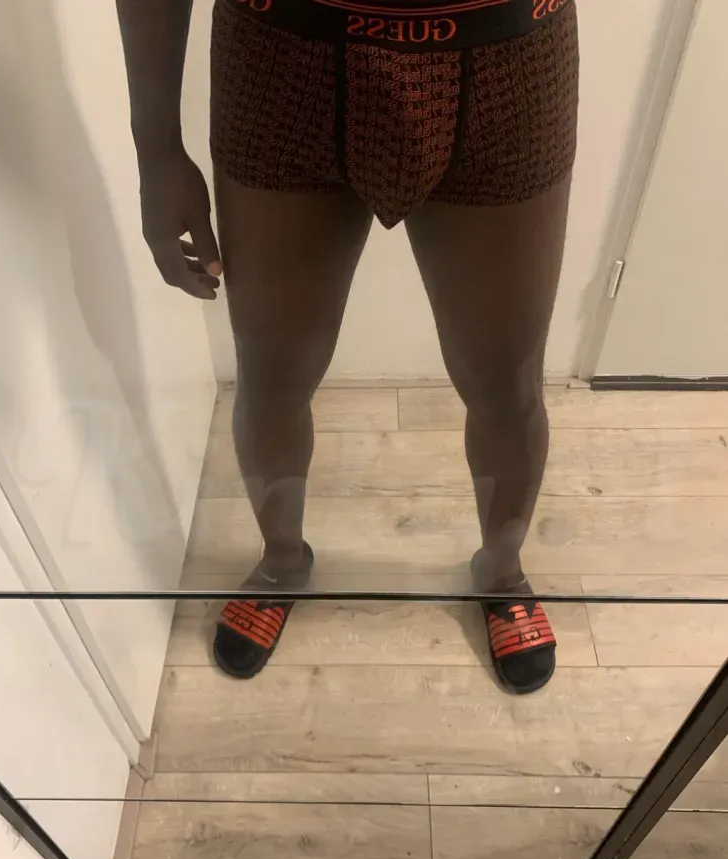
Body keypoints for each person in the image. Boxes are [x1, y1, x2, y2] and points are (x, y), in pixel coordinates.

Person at [116, 0, 579, 694]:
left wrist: (157, 149)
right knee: (271, 374)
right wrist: (155, 148)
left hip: (507, 48)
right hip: (281, 47)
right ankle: (281, 561)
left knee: (505, 383)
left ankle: (502, 571)